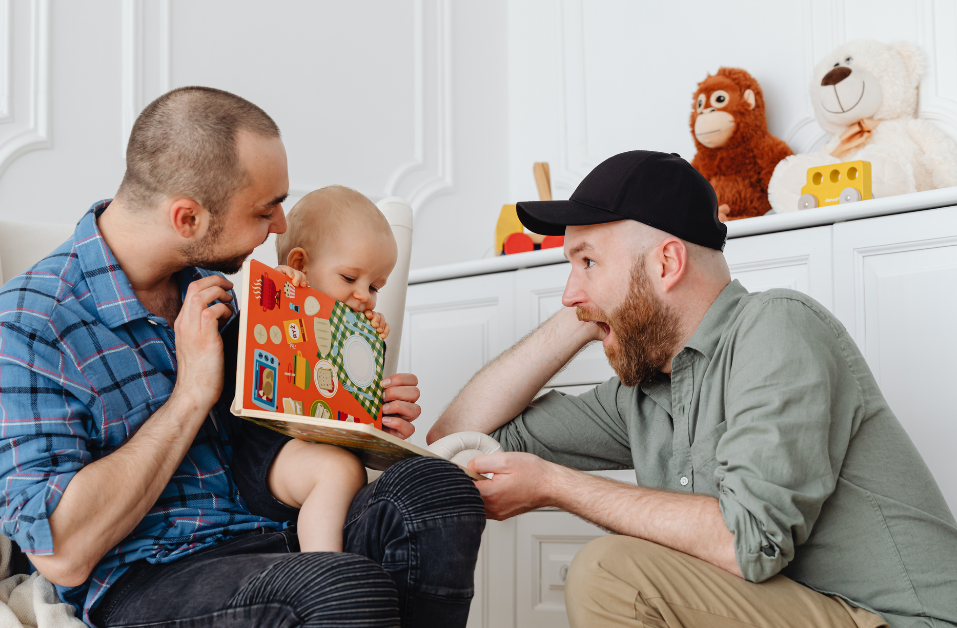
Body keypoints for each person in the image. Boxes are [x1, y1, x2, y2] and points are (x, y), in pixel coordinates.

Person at [0, 86, 485, 628]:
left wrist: (359, 414)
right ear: (187, 218)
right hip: (151, 574)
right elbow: (60, 550)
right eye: (265, 209)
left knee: (441, 490)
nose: (280, 226)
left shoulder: (227, 294)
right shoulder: (32, 323)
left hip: (274, 531)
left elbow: (279, 428)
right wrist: (190, 395)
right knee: (337, 585)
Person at [428, 150, 957, 628]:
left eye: (587, 261)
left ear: (667, 263)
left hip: (898, 620)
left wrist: (555, 485)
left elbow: (747, 540)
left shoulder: (777, 328)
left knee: (613, 573)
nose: (568, 290)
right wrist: (587, 311)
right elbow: (457, 437)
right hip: (803, 611)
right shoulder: (645, 389)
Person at [232, 186, 397, 553]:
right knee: (340, 470)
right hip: (268, 457)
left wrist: (370, 348)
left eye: (374, 287)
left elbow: (352, 394)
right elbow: (238, 356)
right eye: (350, 279)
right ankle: (325, 568)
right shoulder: (275, 302)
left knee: (353, 470)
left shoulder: (350, 325)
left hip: (324, 448)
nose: (365, 296)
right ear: (301, 264)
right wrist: (275, 294)